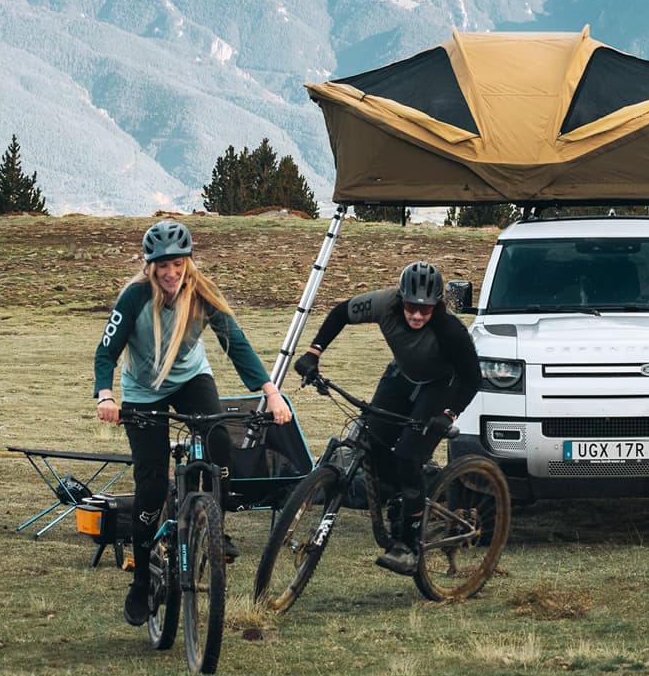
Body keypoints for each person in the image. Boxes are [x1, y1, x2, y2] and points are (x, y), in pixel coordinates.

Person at [94, 218, 292, 626]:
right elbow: (105, 353)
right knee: (149, 483)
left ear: (188, 263)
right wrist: (106, 395)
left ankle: (212, 520)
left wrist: (271, 393)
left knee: (219, 440)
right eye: (163, 265)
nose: (171, 273)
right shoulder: (134, 298)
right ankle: (140, 579)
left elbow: (236, 345)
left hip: (190, 379)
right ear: (151, 266)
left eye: (178, 264)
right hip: (144, 391)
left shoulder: (201, 293)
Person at [293, 260, 481, 575]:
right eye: (411, 307)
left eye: (426, 309)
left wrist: (448, 414)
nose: (418, 315)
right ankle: (401, 500)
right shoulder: (383, 304)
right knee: (372, 441)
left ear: (437, 306)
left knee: (409, 455)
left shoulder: (451, 331)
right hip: (402, 376)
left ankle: (408, 543)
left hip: (440, 386)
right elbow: (341, 312)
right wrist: (314, 352)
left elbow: (473, 379)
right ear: (400, 298)